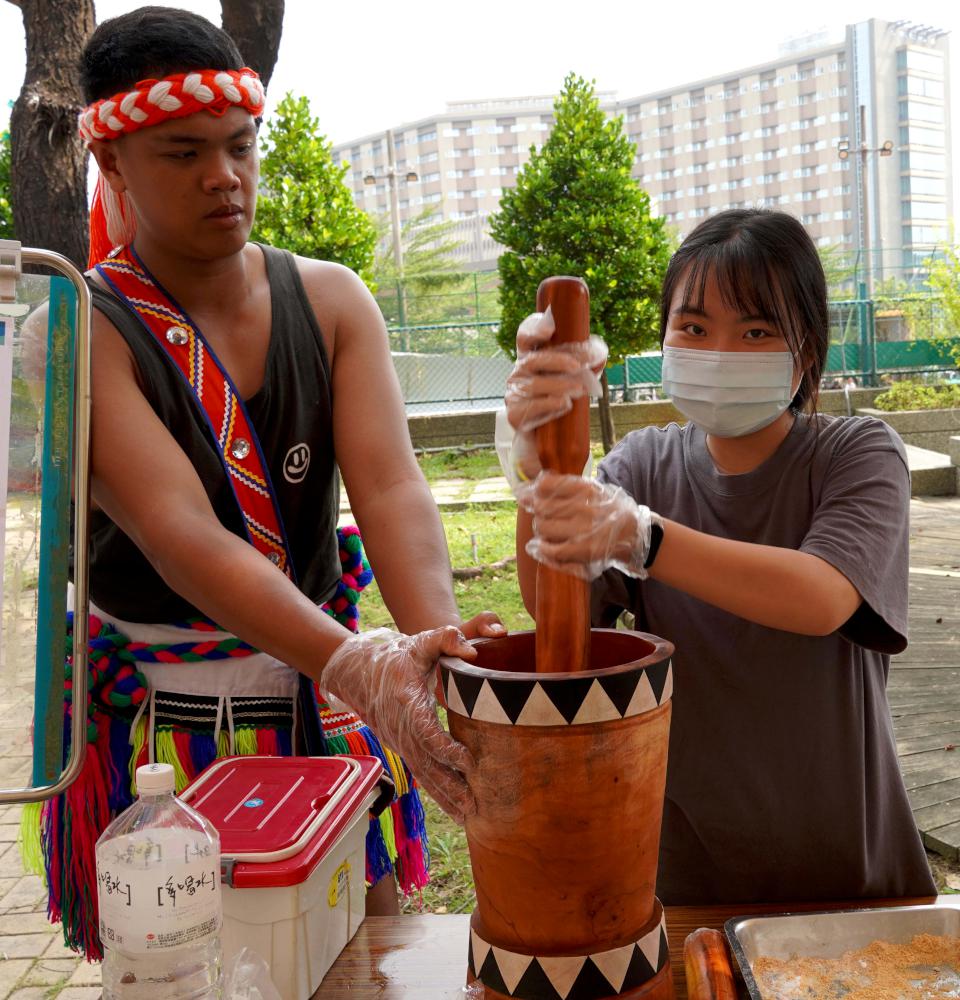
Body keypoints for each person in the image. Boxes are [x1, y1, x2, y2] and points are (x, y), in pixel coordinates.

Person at [23, 6, 502, 958]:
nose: (223, 175)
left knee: (366, 951)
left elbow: (392, 489)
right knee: (191, 964)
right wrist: (356, 664)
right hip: (167, 739)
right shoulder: (74, 332)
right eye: (183, 152)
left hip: (321, 700)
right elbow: (180, 535)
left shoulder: (332, 299)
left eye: (240, 146)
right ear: (110, 160)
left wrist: (440, 657)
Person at [502, 208, 936, 905]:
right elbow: (554, 603)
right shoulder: (641, 466)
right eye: (695, 328)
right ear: (666, 338)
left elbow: (821, 597)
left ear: (807, 351)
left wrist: (645, 540)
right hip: (685, 875)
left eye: (757, 331)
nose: (723, 352)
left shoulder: (857, 454)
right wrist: (537, 466)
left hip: (846, 871)